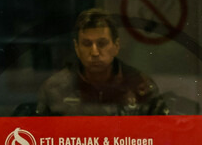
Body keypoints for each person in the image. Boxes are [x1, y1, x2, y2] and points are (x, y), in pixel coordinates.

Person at [35, 8, 168, 117]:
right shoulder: (55, 90)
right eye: (87, 44)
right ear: (77, 48)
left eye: (102, 44)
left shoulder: (140, 86)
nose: (94, 52)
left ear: (116, 46)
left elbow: (160, 140)